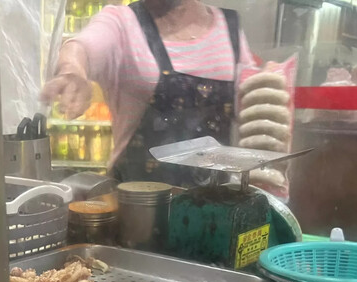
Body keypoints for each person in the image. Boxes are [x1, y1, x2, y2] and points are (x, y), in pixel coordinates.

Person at [41, 0, 255, 185]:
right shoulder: (123, 22)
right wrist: (72, 71)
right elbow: (82, 47)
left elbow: (251, 104)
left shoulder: (229, 27)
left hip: (217, 202)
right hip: (140, 203)